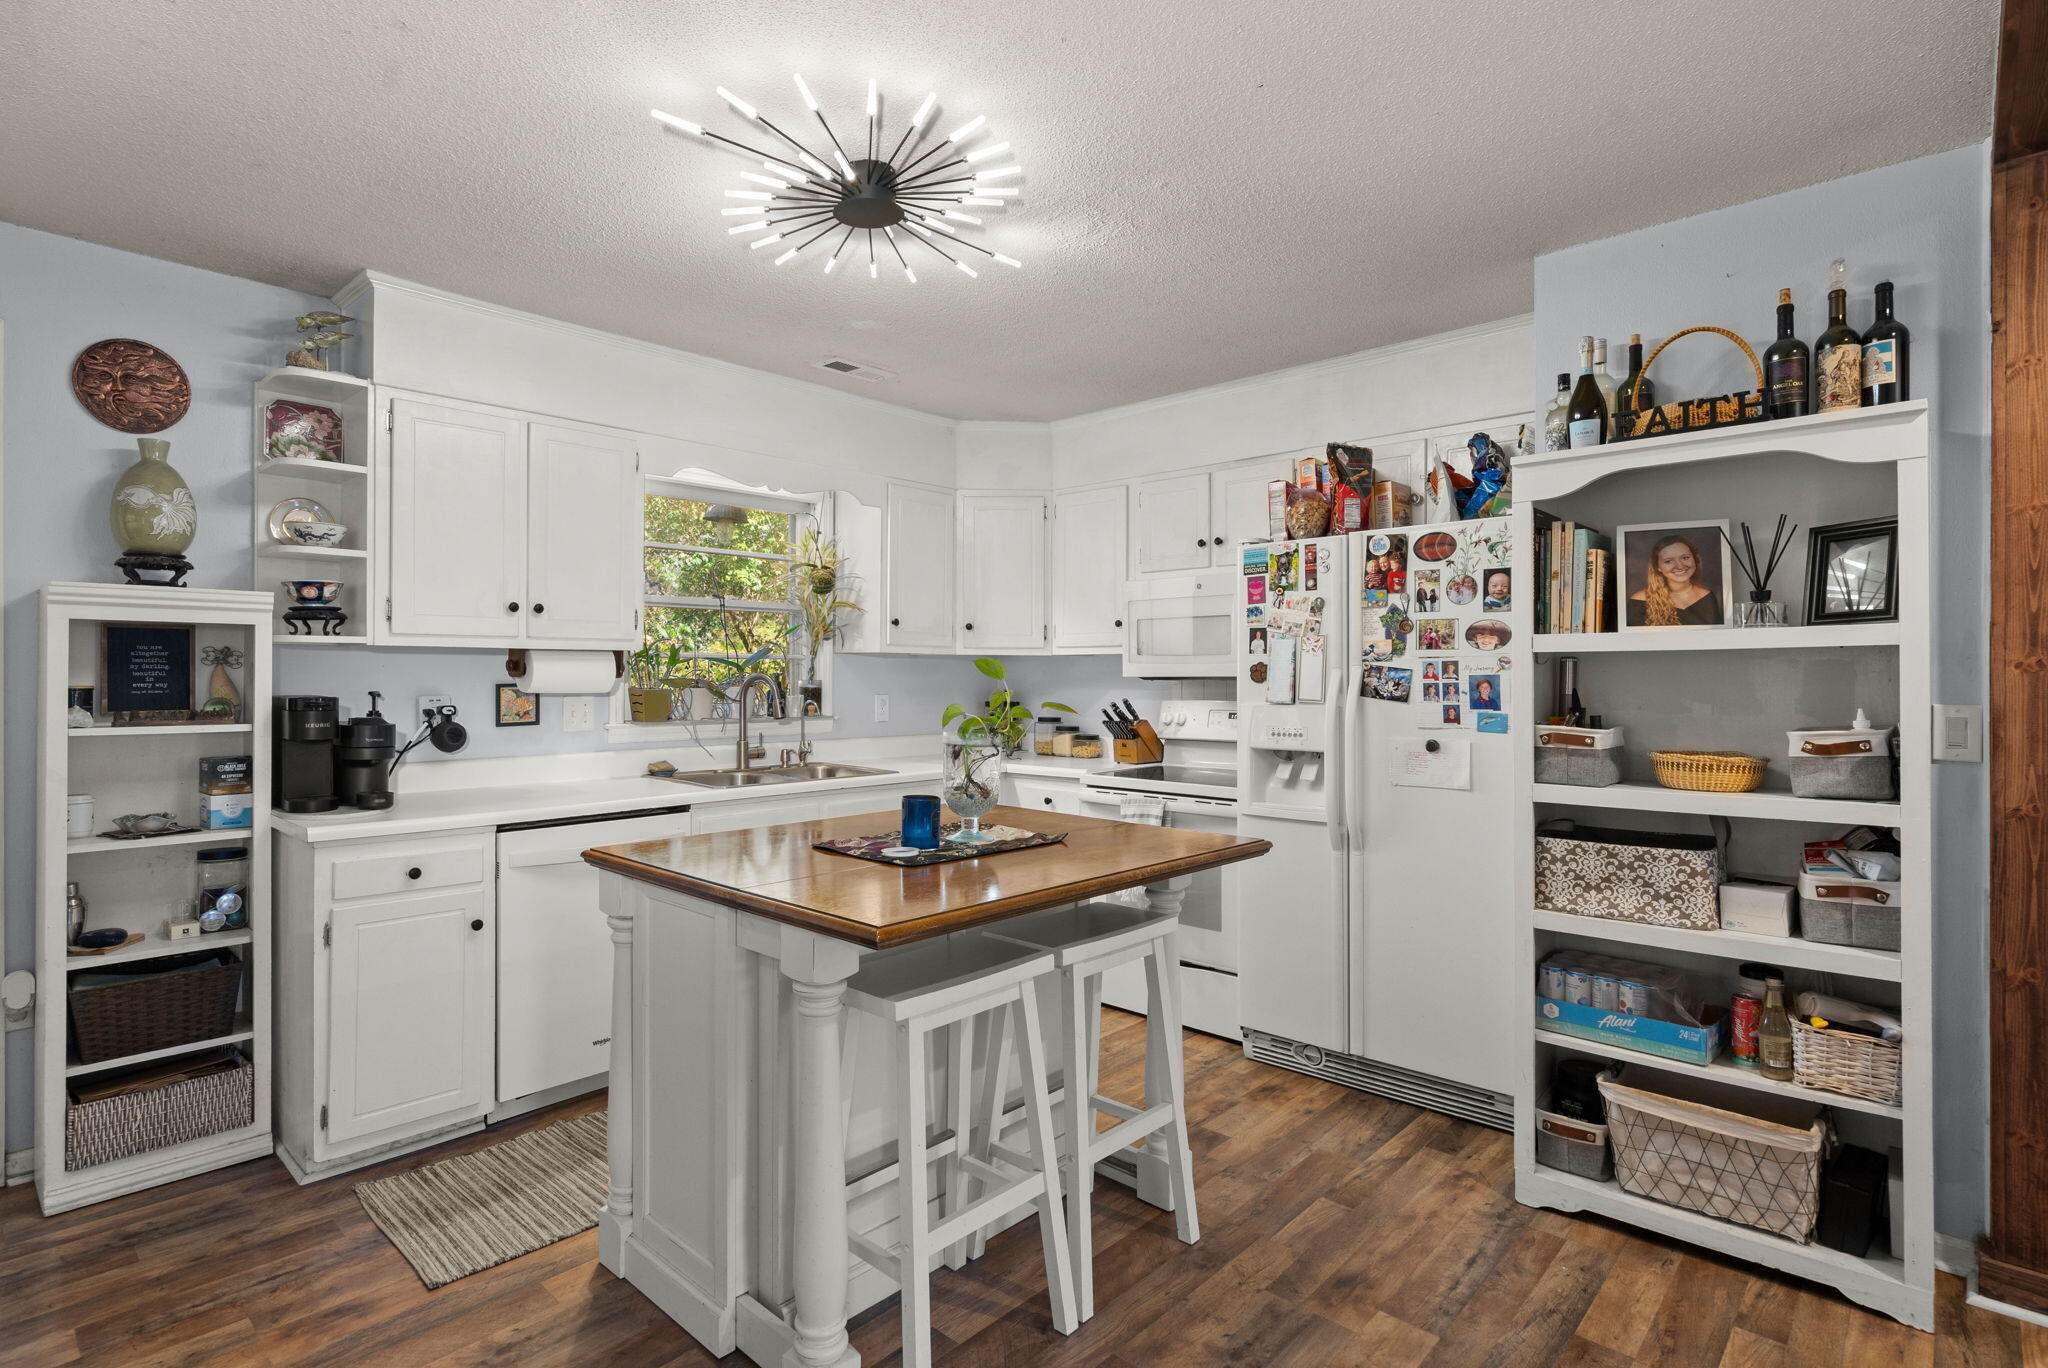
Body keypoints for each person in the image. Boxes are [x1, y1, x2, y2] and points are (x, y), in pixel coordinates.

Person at [1627, 533, 1723, 626]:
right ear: (1658, 567)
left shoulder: (1708, 598)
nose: (1679, 566)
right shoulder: (1640, 600)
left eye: (1685, 558)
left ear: (1695, 559)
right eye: (1668, 561)